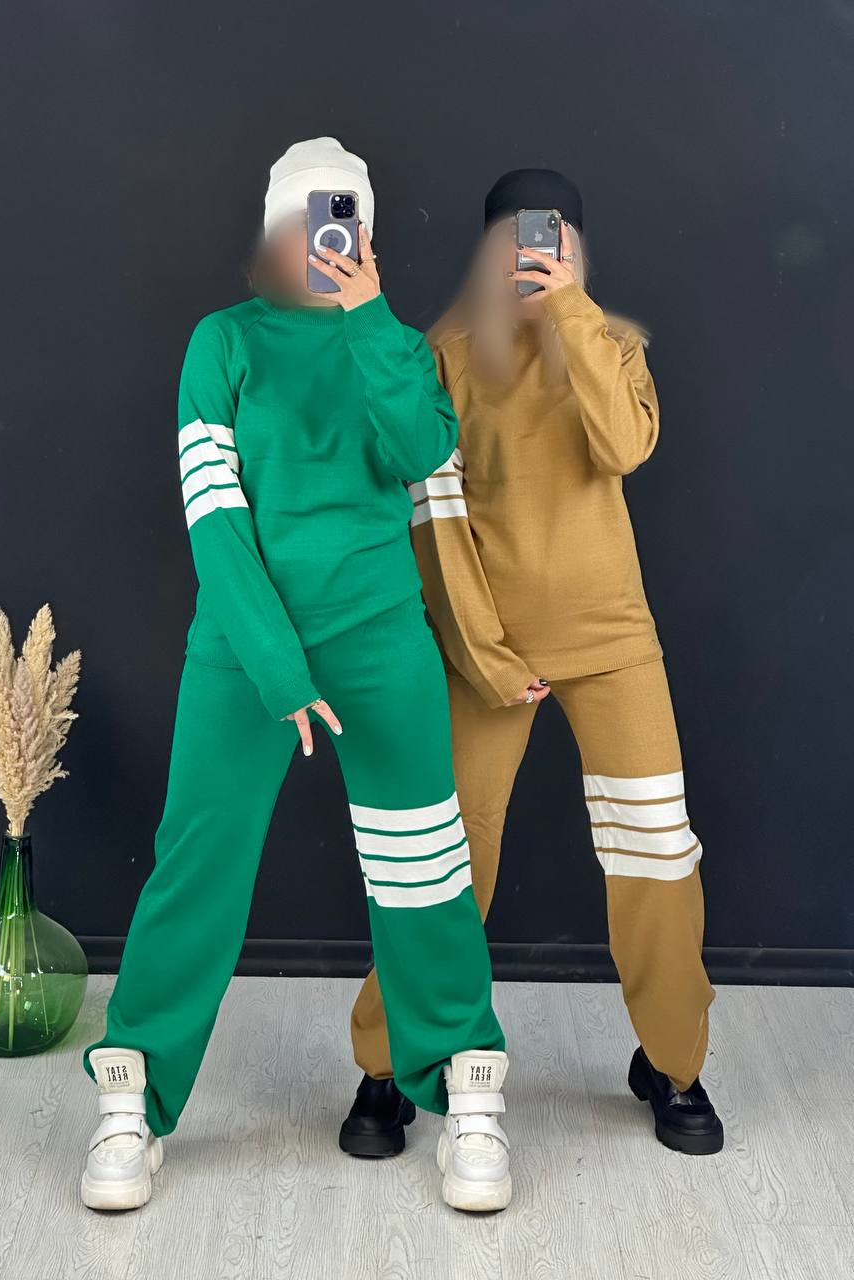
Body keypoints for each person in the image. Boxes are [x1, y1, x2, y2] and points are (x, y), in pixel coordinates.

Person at [79, 138, 512, 1214]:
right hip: (244, 646)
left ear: (365, 230)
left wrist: (368, 320)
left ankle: (467, 1088)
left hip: (381, 640)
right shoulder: (220, 342)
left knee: (423, 865)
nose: (324, 236)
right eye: (308, 216)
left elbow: (418, 453)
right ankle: (131, 1097)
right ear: (275, 225)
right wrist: (277, 668)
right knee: (197, 866)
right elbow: (214, 516)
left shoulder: (396, 345)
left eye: (344, 216)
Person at [345, 168, 723, 1158]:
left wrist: (570, 312)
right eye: (514, 239)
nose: (533, 254)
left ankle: (673, 1064)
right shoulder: (443, 358)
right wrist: (483, 654)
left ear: (576, 249)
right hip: (487, 649)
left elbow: (624, 445)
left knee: (656, 854)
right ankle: (385, 1060)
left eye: (551, 239)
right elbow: (435, 523)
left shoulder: (611, 344)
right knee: (439, 862)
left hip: (612, 640)